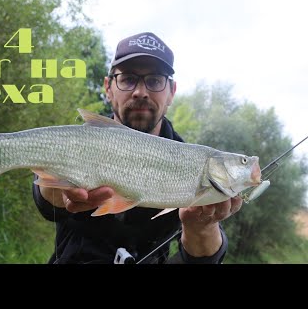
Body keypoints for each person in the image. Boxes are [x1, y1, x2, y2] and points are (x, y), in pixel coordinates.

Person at [32, 32, 243, 264]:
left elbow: (197, 260)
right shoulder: (82, 139)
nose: (140, 92)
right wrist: (52, 192)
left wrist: (202, 229)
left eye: (154, 80)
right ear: (108, 87)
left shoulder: (192, 161)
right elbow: (45, 201)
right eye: (128, 78)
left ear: (171, 92)